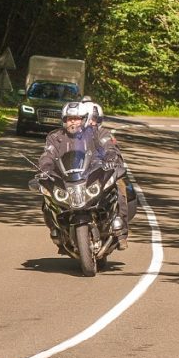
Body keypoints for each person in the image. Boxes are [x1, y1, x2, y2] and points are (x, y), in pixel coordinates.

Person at [37, 101, 131, 249]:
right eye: (69, 118)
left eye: (76, 118)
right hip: (67, 179)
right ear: (64, 120)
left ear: (84, 119)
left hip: (93, 176)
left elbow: (109, 147)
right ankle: (58, 232)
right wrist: (45, 169)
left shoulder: (97, 133)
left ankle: (121, 232)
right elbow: (47, 155)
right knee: (47, 198)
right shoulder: (55, 137)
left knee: (117, 190)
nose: (73, 122)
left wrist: (111, 158)